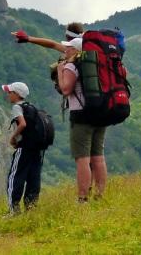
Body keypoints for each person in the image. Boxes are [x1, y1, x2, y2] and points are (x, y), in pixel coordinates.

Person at [55, 37, 108, 202]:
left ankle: (82, 198)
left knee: (82, 158)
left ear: (76, 50)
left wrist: (59, 70)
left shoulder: (72, 65)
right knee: (98, 157)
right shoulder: (96, 65)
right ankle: (99, 195)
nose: (65, 50)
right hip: (100, 114)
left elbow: (65, 89)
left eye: (69, 48)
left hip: (81, 117)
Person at [1, 82, 45, 214]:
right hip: (37, 149)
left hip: (24, 148)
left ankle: (13, 211)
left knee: (15, 177)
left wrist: (13, 137)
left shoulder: (17, 107)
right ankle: (30, 209)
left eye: (10, 92)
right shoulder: (31, 107)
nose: (8, 95)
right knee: (33, 178)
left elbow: (23, 124)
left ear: (16, 94)